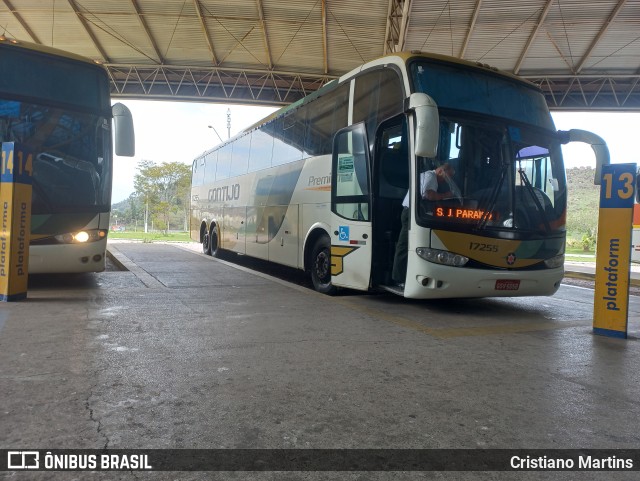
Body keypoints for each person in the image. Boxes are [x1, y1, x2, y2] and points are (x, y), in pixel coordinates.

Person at [391, 163, 456, 288]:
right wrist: (446, 195)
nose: (446, 181)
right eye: (447, 177)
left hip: (412, 213)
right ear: (441, 171)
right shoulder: (431, 176)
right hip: (411, 213)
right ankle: (399, 278)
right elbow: (428, 195)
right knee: (404, 245)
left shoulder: (429, 176)